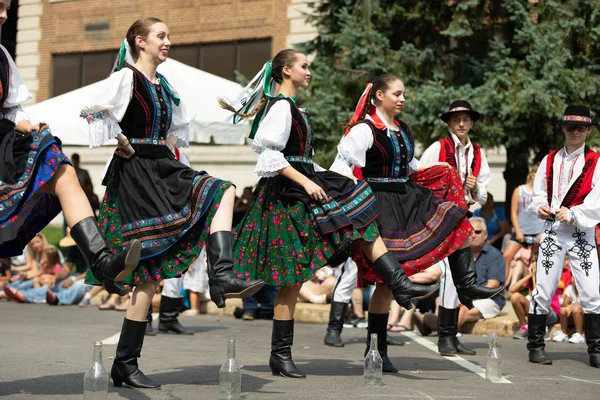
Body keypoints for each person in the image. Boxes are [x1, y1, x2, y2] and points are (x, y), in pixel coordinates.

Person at [222, 51, 437, 379]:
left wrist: (327, 176)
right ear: (285, 70)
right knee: (292, 280)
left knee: (360, 217)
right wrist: (309, 181)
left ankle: (398, 283)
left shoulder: (292, 108)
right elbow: (267, 155)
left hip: (302, 187)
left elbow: (301, 158)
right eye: (304, 66)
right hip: (287, 197)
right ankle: (280, 355)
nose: (309, 71)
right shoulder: (281, 107)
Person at [81, 18, 264, 389]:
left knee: (222, 189)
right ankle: (125, 365)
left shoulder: (163, 86)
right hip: (135, 173)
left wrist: (170, 157)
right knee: (147, 277)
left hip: (164, 166)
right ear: (140, 41)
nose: (168, 42)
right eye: (161, 36)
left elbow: (177, 131)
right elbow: (93, 109)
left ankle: (222, 274)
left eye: (168, 36)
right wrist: (122, 140)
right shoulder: (126, 78)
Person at [330, 76, 503, 370]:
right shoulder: (365, 130)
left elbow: (412, 167)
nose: (402, 99)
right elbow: (340, 166)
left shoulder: (403, 130)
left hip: (405, 198)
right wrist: (355, 200)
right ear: (380, 95)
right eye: (397, 94)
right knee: (384, 286)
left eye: (404, 94)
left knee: (458, 221)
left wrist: (442, 171)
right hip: (379, 202)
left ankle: (466, 285)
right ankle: (377, 352)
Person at [0, 0, 139, 296]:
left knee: (61, 169)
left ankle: (101, 261)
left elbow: (13, 110)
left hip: (4, 144)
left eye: (8, 8)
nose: (4, 15)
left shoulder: (2, 57)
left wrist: (29, 126)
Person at [527, 105, 600, 368]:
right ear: (563, 128)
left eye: (581, 127)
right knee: (543, 289)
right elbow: (537, 195)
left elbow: (598, 201)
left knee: (591, 291)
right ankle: (535, 345)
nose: (575, 132)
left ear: (589, 130)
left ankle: (596, 350)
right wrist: (540, 207)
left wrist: (573, 213)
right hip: (552, 231)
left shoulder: (596, 161)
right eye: (570, 127)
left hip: (581, 233)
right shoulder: (549, 160)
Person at [420, 100, 492, 356]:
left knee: (457, 277)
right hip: (442, 219)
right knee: (451, 276)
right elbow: (419, 178)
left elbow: (483, 195)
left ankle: (449, 335)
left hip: (464, 219)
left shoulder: (478, 153)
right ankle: (446, 336)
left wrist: (474, 187)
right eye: (456, 119)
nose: (461, 124)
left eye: (465, 119)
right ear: (449, 123)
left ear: (471, 123)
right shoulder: (437, 148)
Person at [456, 218, 506, 328]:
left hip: (490, 299)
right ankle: (429, 323)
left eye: (477, 231)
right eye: (470, 232)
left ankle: (443, 332)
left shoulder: (495, 255)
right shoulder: (462, 255)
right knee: (440, 301)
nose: (473, 235)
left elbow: (492, 286)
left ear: (485, 234)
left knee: (464, 309)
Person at [504, 164, 544, 283]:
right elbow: (513, 212)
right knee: (506, 257)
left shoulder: (543, 193)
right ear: (532, 176)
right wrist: (517, 231)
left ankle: (536, 289)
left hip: (537, 232)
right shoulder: (519, 190)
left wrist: (542, 233)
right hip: (521, 231)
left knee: (536, 261)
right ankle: (500, 287)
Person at [552, 279, 585, 344]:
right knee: (563, 310)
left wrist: (571, 306)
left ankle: (580, 334)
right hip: (574, 314)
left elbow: (586, 306)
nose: (575, 279)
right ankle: (564, 333)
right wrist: (569, 306)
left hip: (585, 315)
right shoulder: (570, 288)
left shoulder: (586, 288)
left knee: (576, 309)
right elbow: (565, 304)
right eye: (573, 276)